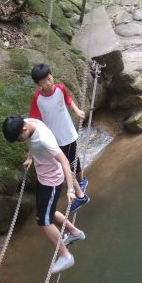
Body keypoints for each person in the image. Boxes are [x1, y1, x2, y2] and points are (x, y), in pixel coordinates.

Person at [2, 115, 88, 275]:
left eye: (18, 138)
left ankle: (66, 256)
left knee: (44, 221)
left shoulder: (44, 139)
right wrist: (30, 158)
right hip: (43, 177)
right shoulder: (28, 122)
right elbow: (31, 143)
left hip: (53, 181)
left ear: (24, 129)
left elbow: (64, 161)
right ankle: (75, 233)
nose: (19, 140)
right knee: (46, 213)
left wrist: (70, 189)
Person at [29, 63, 89, 197]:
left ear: (52, 75)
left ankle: (80, 182)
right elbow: (34, 121)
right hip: (54, 139)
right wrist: (30, 155)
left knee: (72, 161)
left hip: (68, 134)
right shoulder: (37, 99)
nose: (48, 83)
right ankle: (78, 184)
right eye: (43, 82)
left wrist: (77, 111)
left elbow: (68, 99)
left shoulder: (60, 89)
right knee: (66, 162)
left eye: (49, 79)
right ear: (39, 84)